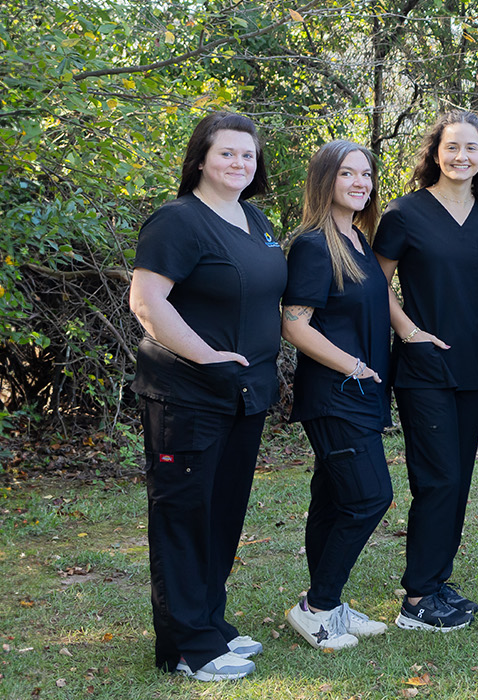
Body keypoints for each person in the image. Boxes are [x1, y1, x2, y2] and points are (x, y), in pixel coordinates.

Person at [129, 111, 284, 681]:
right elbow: (147, 303)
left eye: (248, 155)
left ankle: (209, 623)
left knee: (222, 514)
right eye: (227, 153)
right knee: (184, 516)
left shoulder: (253, 219)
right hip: (187, 394)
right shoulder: (177, 221)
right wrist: (207, 355)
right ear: (200, 158)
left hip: (243, 396)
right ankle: (186, 645)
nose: (240, 163)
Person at [373, 110, 478, 632]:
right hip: (422, 366)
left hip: (471, 368)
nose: (461, 157)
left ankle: (436, 579)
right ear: (435, 153)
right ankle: (416, 600)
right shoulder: (405, 214)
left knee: (458, 481)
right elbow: (376, 283)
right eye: (451, 148)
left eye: (471, 148)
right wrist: (409, 331)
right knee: (438, 480)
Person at [280, 140, 398, 649]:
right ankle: (318, 607)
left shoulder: (357, 240)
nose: (360, 183)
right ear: (324, 180)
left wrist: (411, 334)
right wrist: (354, 366)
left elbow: (382, 305)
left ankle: (331, 604)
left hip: (364, 392)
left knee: (331, 500)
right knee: (371, 496)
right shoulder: (313, 244)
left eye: (366, 174)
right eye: (348, 174)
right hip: (336, 393)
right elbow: (294, 324)